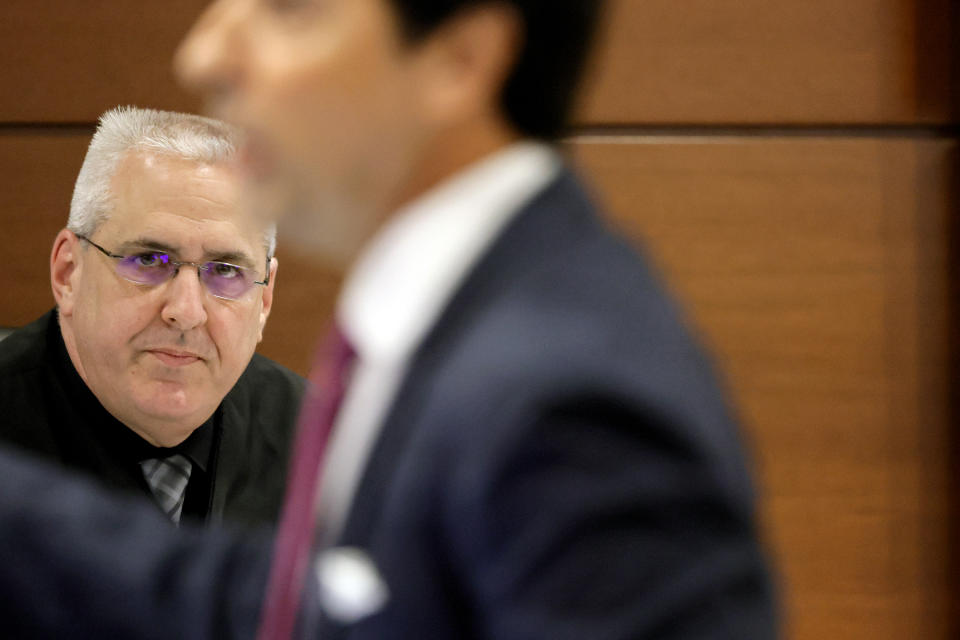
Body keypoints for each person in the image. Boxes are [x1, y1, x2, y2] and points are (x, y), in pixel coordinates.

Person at [0, 0, 777, 638]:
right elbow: (316, 622)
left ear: (458, 60)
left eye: (288, 10)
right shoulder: (440, 339)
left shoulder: (571, 399)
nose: (205, 53)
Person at [0, 106, 303, 527]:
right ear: (68, 272)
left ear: (264, 300)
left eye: (226, 271)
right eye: (148, 261)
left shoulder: (317, 443)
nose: (186, 311)